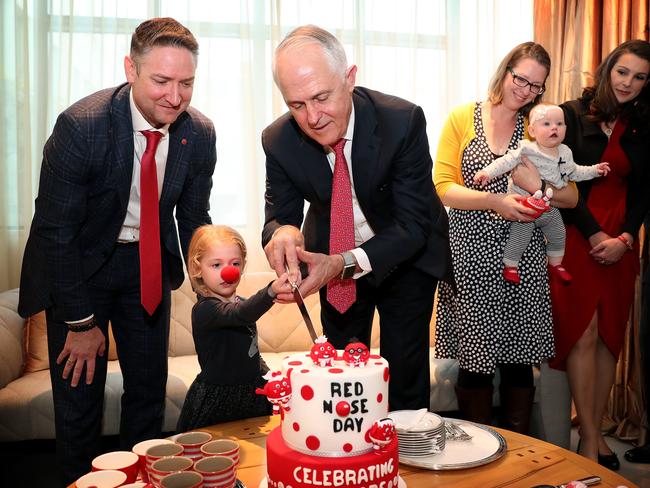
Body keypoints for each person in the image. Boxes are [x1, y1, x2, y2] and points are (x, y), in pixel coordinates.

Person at [17, 18, 217, 486]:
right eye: (161, 81)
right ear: (131, 68)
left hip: (145, 265)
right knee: (79, 397)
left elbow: (193, 218)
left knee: (147, 394)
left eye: (186, 83)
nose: (175, 96)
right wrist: (80, 323)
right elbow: (56, 232)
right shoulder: (81, 127)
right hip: (79, 267)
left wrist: (212, 277)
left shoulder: (198, 133)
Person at [261, 25, 452, 412]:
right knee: (343, 377)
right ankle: (353, 460)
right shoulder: (278, 139)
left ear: (350, 78)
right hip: (332, 258)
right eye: (296, 105)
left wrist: (344, 263)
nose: (312, 117)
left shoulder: (401, 121)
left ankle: (404, 461)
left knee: (403, 373)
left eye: (321, 97)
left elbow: (414, 223)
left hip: (407, 256)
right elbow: (279, 212)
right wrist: (280, 230)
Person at [433, 42, 579, 434]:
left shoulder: (539, 127)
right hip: (470, 252)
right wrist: (493, 201)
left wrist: (540, 186)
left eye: (537, 86)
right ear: (505, 71)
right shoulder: (463, 117)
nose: (527, 90)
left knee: (519, 357)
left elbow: (571, 195)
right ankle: (475, 447)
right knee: (475, 359)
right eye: (522, 79)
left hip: (524, 253)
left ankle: (516, 451)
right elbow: (442, 186)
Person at [549, 39, 650, 470]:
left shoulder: (645, 123)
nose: (629, 83)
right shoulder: (571, 114)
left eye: (640, 77)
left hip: (622, 241)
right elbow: (559, 183)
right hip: (577, 233)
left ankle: (597, 437)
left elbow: (646, 188)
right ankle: (590, 440)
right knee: (583, 334)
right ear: (608, 69)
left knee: (610, 339)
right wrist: (594, 235)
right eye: (623, 71)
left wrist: (626, 237)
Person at [474, 103, 610, 284]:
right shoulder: (527, 149)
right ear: (532, 130)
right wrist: (487, 173)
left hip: (548, 206)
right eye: (546, 124)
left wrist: (594, 170)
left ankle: (555, 264)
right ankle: (511, 266)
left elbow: (575, 172)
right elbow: (505, 162)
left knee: (559, 232)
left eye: (559, 124)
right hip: (525, 205)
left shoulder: (565, 152)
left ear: (565, 129)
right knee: (520, 236)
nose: (554, 127)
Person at [176, 225, 288, 431]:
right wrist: (270, 291)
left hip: (252, 395)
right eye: (216, 265)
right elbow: (239, 314)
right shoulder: (205, 310)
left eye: (235, 263)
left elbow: (251, 351)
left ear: (243, 265)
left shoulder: (243, 304)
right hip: (217, 400)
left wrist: (269, 377)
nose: (228, 271)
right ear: (197, 268)